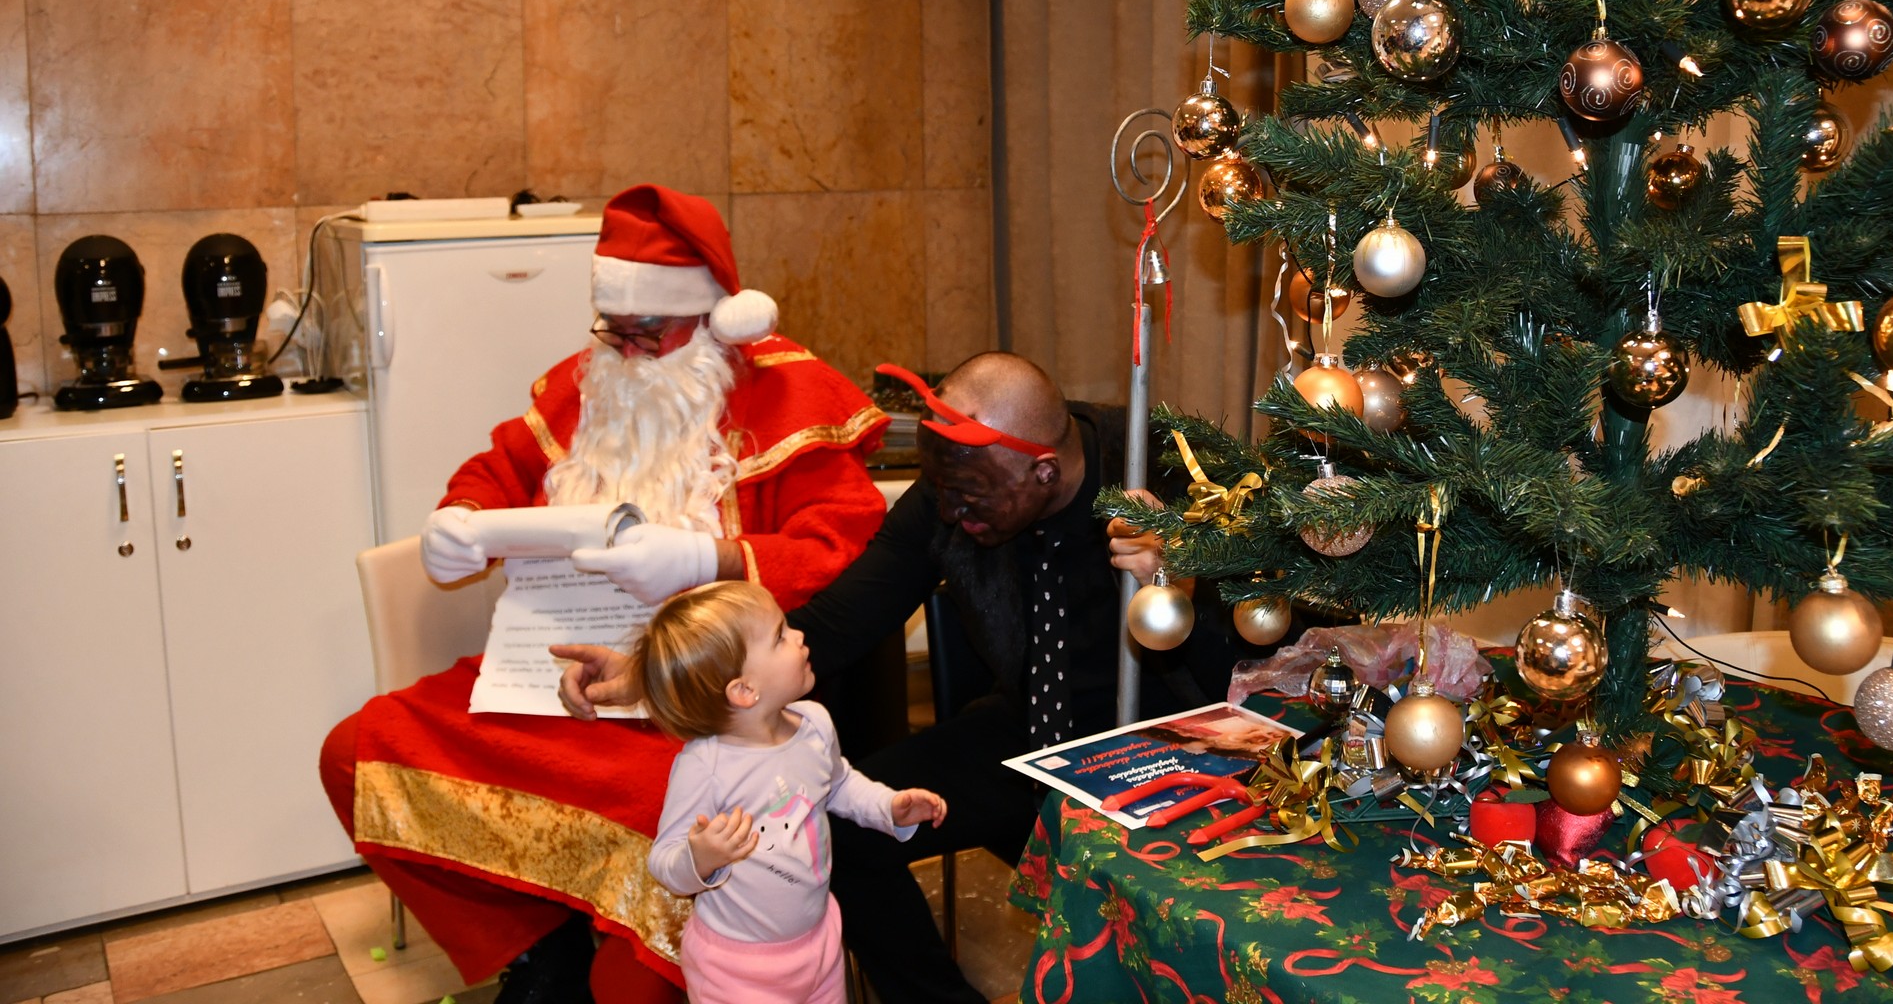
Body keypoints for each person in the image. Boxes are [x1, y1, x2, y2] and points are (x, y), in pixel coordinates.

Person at [319, 185, 889, 1004]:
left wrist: (708, 559)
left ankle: (638, 962)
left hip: (698, 708)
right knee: (357, 752)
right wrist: (459, 517)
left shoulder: (784, 396)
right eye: (610, 328)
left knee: (659, 865)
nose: (625, 350)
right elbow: (495, 470)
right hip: (560, 681)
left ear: (711, 317)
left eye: (647, 330)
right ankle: (537, 949)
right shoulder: (587, 384)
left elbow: (844, 547)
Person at [559, 351, 1271, 1004]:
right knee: (839, 825)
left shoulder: (1172, 471)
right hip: (1026, 734)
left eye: (971, 497)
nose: (951, 514)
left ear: (1043, 471)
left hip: (1166, 743)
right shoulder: (950, 493)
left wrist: (1186, 579)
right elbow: (841, 621)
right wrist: (657, 678)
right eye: (943, 492)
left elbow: (1263, 658)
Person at [636, 581, 947, 1004]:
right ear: (744, 690)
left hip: (818, 943)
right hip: (738, 971)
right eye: (780, 636)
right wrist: (701, 858)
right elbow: (663, 860)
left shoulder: (814, 723)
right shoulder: (705, 766)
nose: (799, 636)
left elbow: (838, 782)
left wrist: (887, 806)